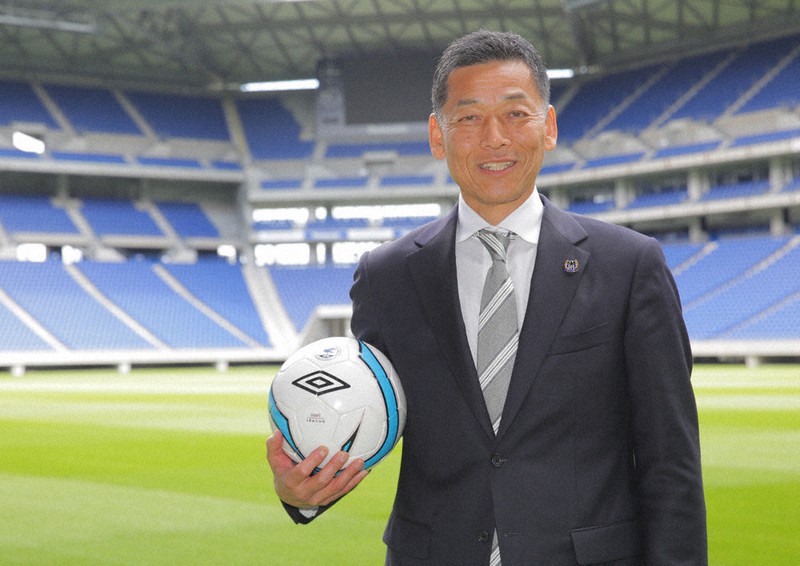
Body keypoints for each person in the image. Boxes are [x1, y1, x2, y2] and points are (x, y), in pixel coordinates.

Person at [267, 29, 707, 565]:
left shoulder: (629, 266)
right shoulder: (385, 277)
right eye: (469, 117)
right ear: (438, 136)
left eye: (516, 114)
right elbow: (368, 417)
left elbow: (671, 460)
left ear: (548, 127)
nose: (495, 138)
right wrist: (302, 490)